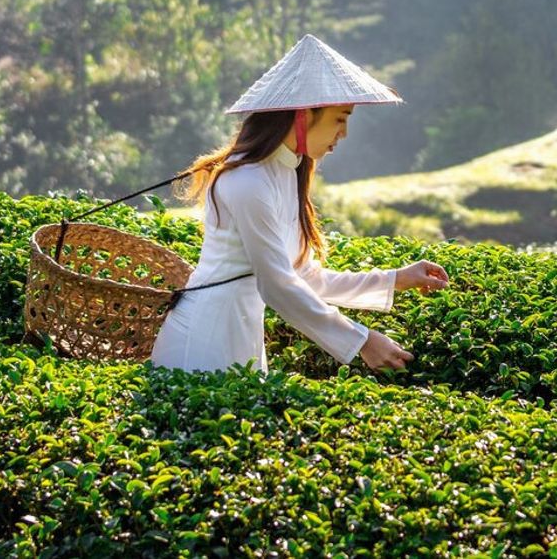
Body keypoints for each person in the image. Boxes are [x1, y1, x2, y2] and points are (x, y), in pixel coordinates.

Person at [149, 34, 449, 375]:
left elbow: (303, 276)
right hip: (203, 339)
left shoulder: (285, 171)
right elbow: (277, 284)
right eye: (340, 118)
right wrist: (361, 340)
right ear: (304, 116)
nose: (344, 133)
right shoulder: (248, 180)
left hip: (240, 332)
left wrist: (394, 279)